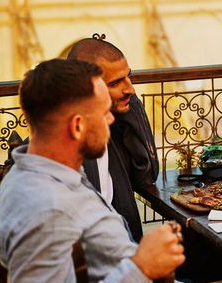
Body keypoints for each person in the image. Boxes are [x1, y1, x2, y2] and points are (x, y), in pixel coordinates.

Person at [0, 59, 222, 283]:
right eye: (104, 114)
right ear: (77, 125)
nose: (112, 121)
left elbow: (111, 262)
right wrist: (140, 268)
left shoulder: (52, 175)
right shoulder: (44, 209)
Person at [67, 35, 160, 241]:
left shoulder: (110, 130)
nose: (131, 89)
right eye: (116, 82)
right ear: (86, 89)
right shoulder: (74, 151)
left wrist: (129, 104)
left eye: (129, 76)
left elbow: (146, 174)